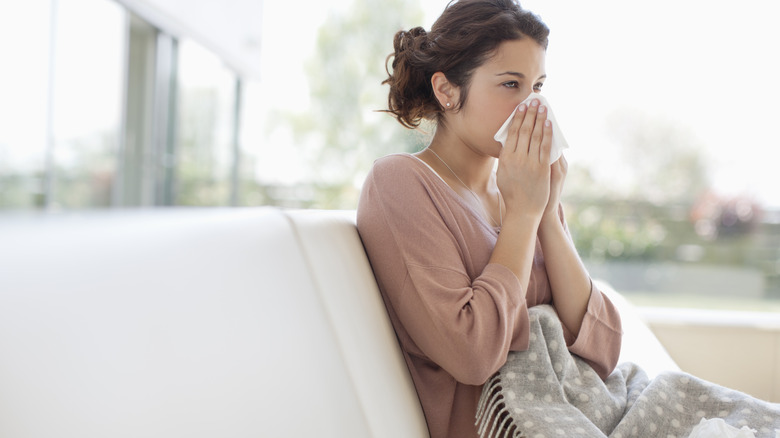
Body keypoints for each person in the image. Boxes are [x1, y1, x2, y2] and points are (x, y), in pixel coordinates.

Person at [356, 1, 623, 437]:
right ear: (447, 91)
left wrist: (547, 217)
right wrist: (523, 217)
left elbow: (604, 348)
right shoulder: (400, 183)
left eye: (537, 87)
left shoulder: (522, 191)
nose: (532, 107)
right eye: (510, 84)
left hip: (583, 411)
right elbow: (472, 354)